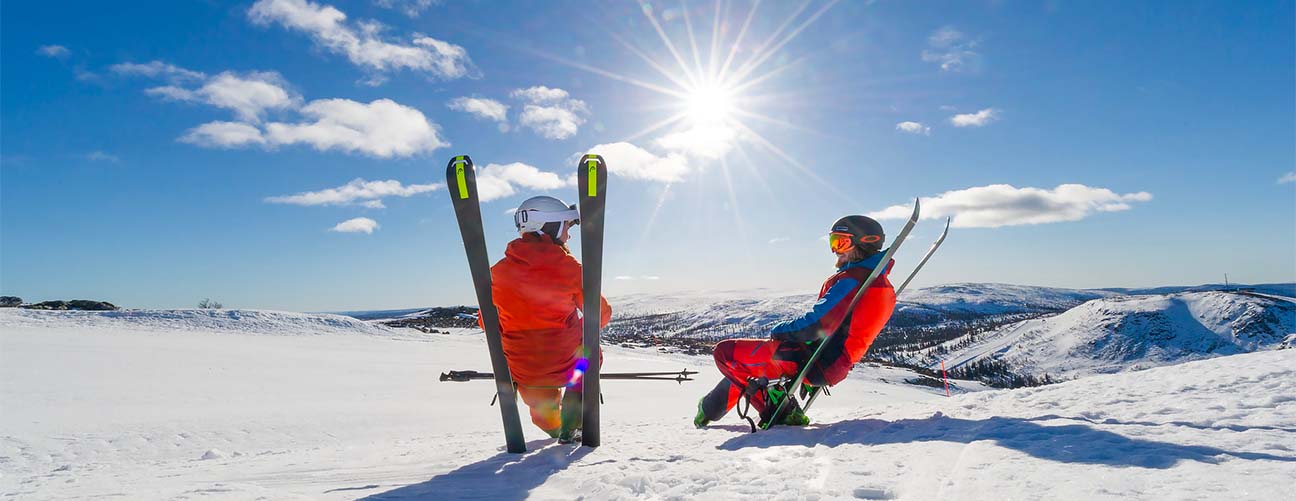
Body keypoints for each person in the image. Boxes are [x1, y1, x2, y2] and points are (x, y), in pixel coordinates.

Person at [694, 215, 898, 428]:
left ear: (864, 243)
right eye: (833, 242)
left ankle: (782, 412)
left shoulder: (852, 280)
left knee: (725, 353)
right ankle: (708, 409)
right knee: (744, 366)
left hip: (815, 361)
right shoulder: (880, 285)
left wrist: (778, 331)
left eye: (841, 242)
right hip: (829, 360)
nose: (835, 250)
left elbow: (815, 325)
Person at [482, 195, 611, 443]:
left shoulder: (497, 272)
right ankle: (573, 420)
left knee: (542, 406)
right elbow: (600, 314)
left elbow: (485, 321)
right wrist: (579, 328)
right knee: (589, 353)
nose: (568, 236)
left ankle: (553, 425)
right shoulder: (569, 267)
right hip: (568, 365)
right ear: (549, 226)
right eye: (566, 227)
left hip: (523, 369)